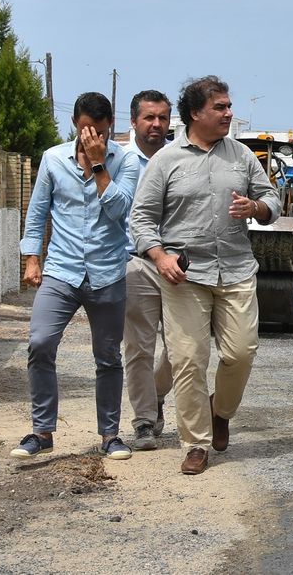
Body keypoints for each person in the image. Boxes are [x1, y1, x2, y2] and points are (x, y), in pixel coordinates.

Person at [130, 76, 281, 475]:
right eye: (221, 107)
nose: (230, 113)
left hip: (235, 270)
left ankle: (221, 412)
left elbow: (272, 200)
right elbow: (142, 218)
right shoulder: (166, 160)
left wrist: (258, 209)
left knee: (240, 352)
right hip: (183, 275)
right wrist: (159, 256)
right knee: (189, 361)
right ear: (196, 113)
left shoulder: (242, 157)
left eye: (229, 106)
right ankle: (195, 443)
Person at [13, 92, 140, 461]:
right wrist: (32, 259)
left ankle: (110, 435)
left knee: (107, 357)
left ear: (110, 126)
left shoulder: (126, 161)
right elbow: (37, 214)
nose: (93, 138)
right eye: (87, 130)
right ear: (75, 123)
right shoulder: (53, 159)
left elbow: (119, 211)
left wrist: (100, 166)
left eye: (100, 131)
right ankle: (41, 431)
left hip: (107, 274)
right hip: (61, 271)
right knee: (39, 342)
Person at [122, 90, 174, 451]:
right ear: (134, 122)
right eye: (149, 118)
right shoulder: (117, 161)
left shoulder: (181, 158)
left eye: (163, 118)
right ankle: (143, 420)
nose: (156, 125)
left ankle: (155, 393)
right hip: (136, 265)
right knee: (138, 347)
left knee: (184, 348)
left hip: (179, 266)